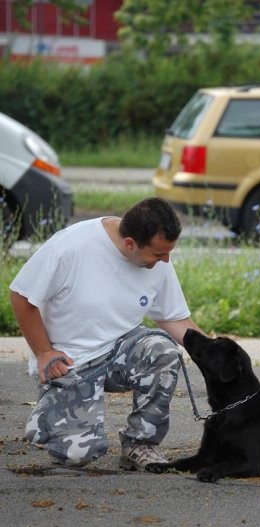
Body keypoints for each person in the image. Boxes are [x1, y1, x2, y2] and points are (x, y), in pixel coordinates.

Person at [9, 197, 204, 469]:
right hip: (71, 360)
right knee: (79, 455)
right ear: (130, 244)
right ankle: (49, 410)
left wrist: (216, 352)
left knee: (164, 351)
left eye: (168, 253)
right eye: (158, 255)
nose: (165, 261)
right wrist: (43, 352)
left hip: (121, 352)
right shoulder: (70, 247)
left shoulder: (158, 260)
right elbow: (21, 296)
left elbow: (173, 317)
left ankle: (140, 445)